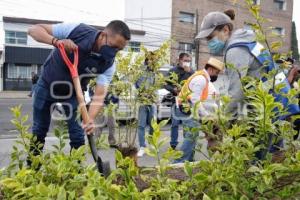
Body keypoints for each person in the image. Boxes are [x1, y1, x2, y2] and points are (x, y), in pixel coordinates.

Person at [195, 9, 300, 159]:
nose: (209, 43)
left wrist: (222, 124)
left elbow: (237, 94)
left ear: (225, 30)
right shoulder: (248, 42)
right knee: (275, 155)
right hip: (278, 103)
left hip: (268, 108)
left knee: (256, 158)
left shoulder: (235, 50)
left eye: (210, 37)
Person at [27, 20, 130, 165]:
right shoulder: (78, 31)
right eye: (113, 47)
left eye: (118, 50)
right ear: (103, 35)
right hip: (47, 84)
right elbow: (33, 29)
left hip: (74, 93)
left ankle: (76, 173)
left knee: (77, 136)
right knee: (39, 130)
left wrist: (90, 119)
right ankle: (32, 170)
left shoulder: (108, 64)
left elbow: (99, 96)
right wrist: (57, 42)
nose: (114, 53)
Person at [174, 57, 224, 163]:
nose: (217, 75)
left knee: (192, 135)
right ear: (210, 69)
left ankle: (189, 160)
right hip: (185, 108)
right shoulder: (201, 79)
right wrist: (206, 115)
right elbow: (195, 99)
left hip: (188, 108)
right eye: (216, 72)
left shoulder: (203, 78)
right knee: (192, 135)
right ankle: (178, 162)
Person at [164, 52, 194, 149]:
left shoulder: (192, 72)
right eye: (185, 60)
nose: (187, 63)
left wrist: (189, 72)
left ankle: (186, 144)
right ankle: (173, 144)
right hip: (175, 101)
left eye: (189, 61)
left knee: (186, 123)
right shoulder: (173, 71)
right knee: (175, 123)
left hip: (187, 101)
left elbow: (195, 83)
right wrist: (173, 89)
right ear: (180, 60)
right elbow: (165, 84)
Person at [135, 52, 158, 157]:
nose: (152, 62)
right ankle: (142, 147)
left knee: (153, 125)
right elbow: (136, 85)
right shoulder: (140, 71)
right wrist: (143, 94)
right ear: (147, 60)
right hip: (142, 102)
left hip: (152, 102)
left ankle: (151, 145)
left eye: (154, 60)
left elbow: (156, 86)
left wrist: (155, 98)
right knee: (141, 125)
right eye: (150, 59)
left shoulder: (155, 72)